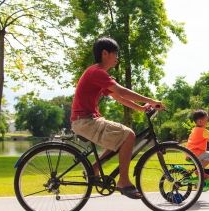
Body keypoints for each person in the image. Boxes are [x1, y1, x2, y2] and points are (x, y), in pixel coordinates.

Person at [70, 37, 164, 199]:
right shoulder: (97, 72)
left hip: (86, 120)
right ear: (105, 53)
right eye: (115, 54)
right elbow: (121, 91)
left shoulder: (98, 74)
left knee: (121, 139)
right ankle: (124, 181)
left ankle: (94, 169)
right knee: (129, 135)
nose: (117, 58)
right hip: (85, 121)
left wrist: (141, 108)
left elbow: (117, 97)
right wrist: (151, 101)